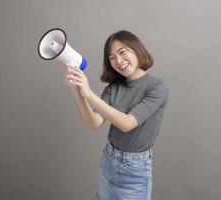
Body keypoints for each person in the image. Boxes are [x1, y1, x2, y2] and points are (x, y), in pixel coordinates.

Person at [65, 30, 168, 200]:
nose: (118, 61)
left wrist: (89, 93)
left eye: (122, 52)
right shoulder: (114, 87)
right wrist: (77, 90)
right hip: (109, 160)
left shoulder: (157, 87)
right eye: (112, 57)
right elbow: (94, 123)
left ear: (137, 49)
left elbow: (127, 124)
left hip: (135, 168)